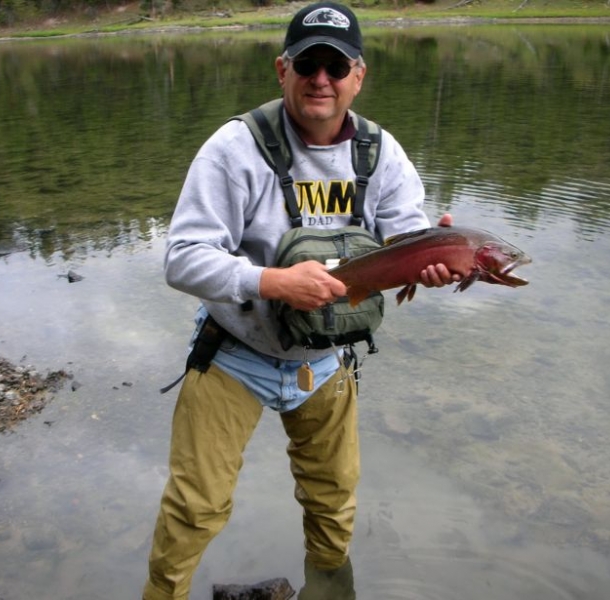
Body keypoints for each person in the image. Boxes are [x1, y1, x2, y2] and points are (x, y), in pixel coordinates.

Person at [143, 3, 457, 599]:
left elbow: (402, 239)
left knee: (334, 508)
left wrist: (432, 256)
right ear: (281, 69)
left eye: (335, 67)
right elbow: (181, 258)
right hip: (234, 353)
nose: (321, 79)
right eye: (308, 63)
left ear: (358, 76)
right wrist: (272, 282)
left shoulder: (380, 154)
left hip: (327, 363)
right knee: (194, 509)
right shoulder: (233, 148)